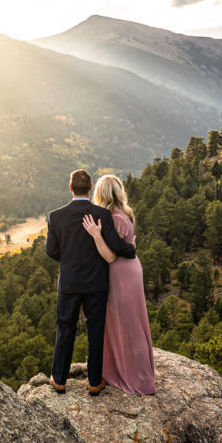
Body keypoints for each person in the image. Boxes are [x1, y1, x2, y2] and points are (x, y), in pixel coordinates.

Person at [45, 169, 137, 395]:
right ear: (90, 188)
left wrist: (67, 261)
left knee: (65, 329)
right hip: (97, 283)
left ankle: (59, 379)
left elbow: (50, 251)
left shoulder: (56, 217)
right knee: (95, 330)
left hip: (69, 282)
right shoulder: (102, 215)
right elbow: (116, 245)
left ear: (70, 188)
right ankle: (95, 382)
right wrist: (131, 249)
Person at [80, 174, 157, 395]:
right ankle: (136, 372)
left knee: (124, 324)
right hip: (132, 269)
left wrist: (95, 235)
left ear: (101, 194)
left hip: (119, 273)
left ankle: (134, 377)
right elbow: (131, 244)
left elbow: (110, 256)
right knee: (133, 321)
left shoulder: (113, 217)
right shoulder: (127, 214)